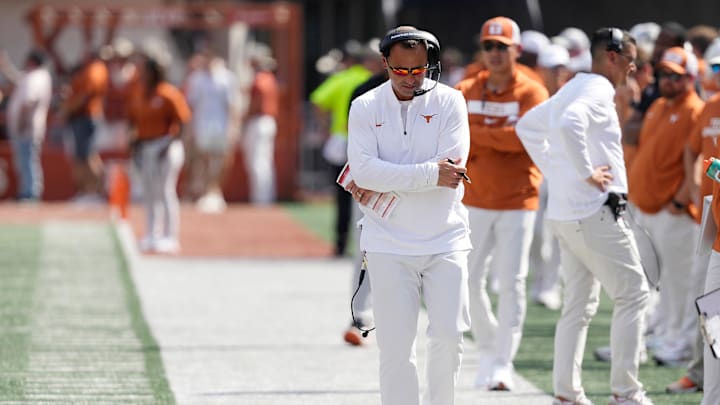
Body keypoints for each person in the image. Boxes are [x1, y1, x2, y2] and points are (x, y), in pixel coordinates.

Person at [516, 28, 653, 405]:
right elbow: (567, 124)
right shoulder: (594, 90)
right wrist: (584, 173)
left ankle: (566, 393)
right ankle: (626, 393)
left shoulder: (573, 87)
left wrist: (560, 171)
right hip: (593, 211)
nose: (634, 65)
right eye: (629, 57)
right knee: (634, 295)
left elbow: (527, 126)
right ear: (611, 56)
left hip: (567, 213)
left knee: (578, 305)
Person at [345, 26, 471, 405]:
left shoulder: (451, 101)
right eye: (399, 70)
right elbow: (364, 172)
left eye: (417, 69)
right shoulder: (365, 106)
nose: (409, 78)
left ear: (429, 64)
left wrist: (393, 175)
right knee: (397, 349)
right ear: (385, 63)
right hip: (387, 243)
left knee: (449, 338)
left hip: (446, 239)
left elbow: (455, 166)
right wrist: (431, 173)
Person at [454, 16, 549, 391]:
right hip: (474, 198)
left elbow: (525, 140)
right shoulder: (465, 87)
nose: (494, 53)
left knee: (512, 282)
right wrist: (499, 136)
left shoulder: (533, 90)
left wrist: (479, 135)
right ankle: (492, 346)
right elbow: (455, 136)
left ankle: (502, 363)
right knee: (467, 279)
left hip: (518, 200)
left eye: (501, 47)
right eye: (488, 46)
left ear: (517, 50)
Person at [310, 40, 374, 256]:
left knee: (342, 197)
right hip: (368, 145)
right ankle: (366, 244)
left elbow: (317, 100)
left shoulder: (340, 79)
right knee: (369, 195)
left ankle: (340, 244)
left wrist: (325, 128)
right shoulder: (369, 79)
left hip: (342, 142)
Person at [127, 55, 191, 254]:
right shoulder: (138, 94)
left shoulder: (168, 94)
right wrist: (134, 145)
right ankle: (151, 234)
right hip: (146, 147)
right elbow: (133, 121)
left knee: (165, 190)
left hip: (165, 145)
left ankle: (171, 236)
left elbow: (183, 123)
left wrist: (169, 145)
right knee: (148, 192)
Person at [185, 51, 237, 213]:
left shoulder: (227, 78)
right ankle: (207, 192)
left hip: (221, 125)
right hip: (201, 125)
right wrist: (189, 128)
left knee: (223, 159)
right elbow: (191, 105)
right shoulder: (196, 79)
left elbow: (232, 105)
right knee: (203, 158)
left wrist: (233, 127)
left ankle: (214, 191)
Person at [0, 49, 52, 201]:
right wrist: (5, 65)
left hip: (27, 127)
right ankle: (27, 192)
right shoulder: (33, 76)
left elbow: (30, 101)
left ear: (32, 61)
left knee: (28, 160)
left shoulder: (38, 77)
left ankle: (31, 193)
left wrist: (22, 122)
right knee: (24, 160)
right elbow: (16, 79)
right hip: (26, 127)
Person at [60, 51, 109, 202]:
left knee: (87, 155)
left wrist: (68, 109)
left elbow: (85, 95)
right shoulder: (94, 69)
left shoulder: (94, 69)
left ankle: (100, 191)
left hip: (85, 117)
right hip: (83, 117)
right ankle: (87, 191)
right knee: (82, 156)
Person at [243, 46, 280, 206]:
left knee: (257, 161)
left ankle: (260, 198)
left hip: (258, 121)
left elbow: (255, 105)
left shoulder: (259, 80)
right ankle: (266, 196)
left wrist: (243, 121)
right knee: (265, 160)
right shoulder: (270, 78)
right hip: (268, 122)